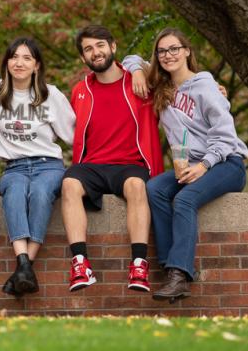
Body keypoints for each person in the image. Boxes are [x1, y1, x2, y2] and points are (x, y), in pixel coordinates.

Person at [144, 28, 248, 303]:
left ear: (187, 51)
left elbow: (226, 136)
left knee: (185, 199)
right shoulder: (163, 89)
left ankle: (180, 274)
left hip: (226, 163)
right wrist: (134, 71)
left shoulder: (205, 86)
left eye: (174, 49)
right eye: (162, 51)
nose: (168, 55)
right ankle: (170, 266)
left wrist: (204, 164)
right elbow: (131, 60)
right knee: (154, 189)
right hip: (189, 165)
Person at [61, 24, 163, 293]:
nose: (96, 52)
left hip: (130, 164)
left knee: (137, 187)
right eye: (88, 49)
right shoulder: (79, 90)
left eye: (100, 45)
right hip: (92, 166)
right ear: (83, 58)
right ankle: (80, 264)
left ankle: (139, 265)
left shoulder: (140, 83)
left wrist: (138, 68)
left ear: (113, 47)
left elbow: (167, 69)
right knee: (69, 183)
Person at [0, 37, 75, 297]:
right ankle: (24, 268)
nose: (19, 63)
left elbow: (74, 136)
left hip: (48, 166)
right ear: (7, 62)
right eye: (14, 57)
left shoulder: (51, 95)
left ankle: (24, 266)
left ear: (37, 65)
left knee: (39, 193)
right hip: (13, 167)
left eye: (27, 58)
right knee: (13, 193)